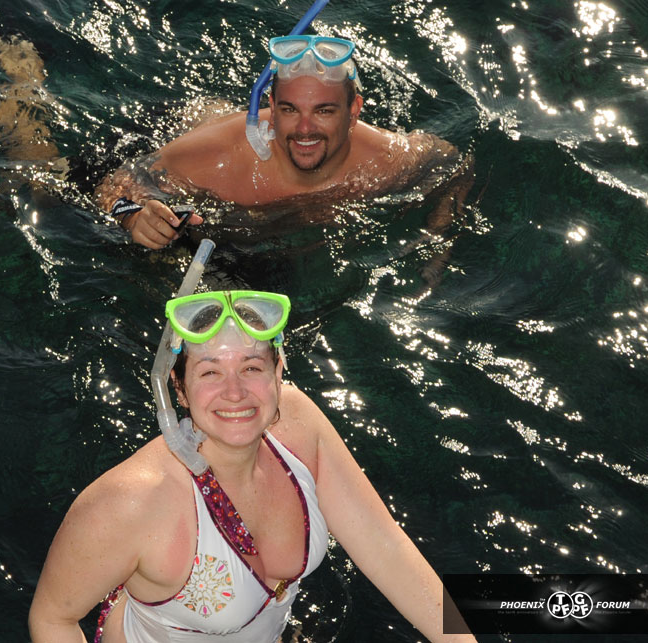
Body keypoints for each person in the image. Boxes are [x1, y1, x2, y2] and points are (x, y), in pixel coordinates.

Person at [28, 289, 475, 642]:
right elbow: (53, 617)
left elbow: (386, 550)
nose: (235, 392)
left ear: (280, 372)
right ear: (178, 391)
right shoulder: (133, 502)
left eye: (252, 367)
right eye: (209, 372)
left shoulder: (299, 427)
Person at [95, 35, 474, 251]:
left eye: (324, 111)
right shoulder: (217, 159)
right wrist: (131, 215)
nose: (305, 129)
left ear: (354, 110)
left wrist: (434, 242)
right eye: (291, 109)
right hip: (168, 128)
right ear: (271, 107)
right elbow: (116, 183)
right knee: (49, 186)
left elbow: (453, 163)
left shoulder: (388, 158)